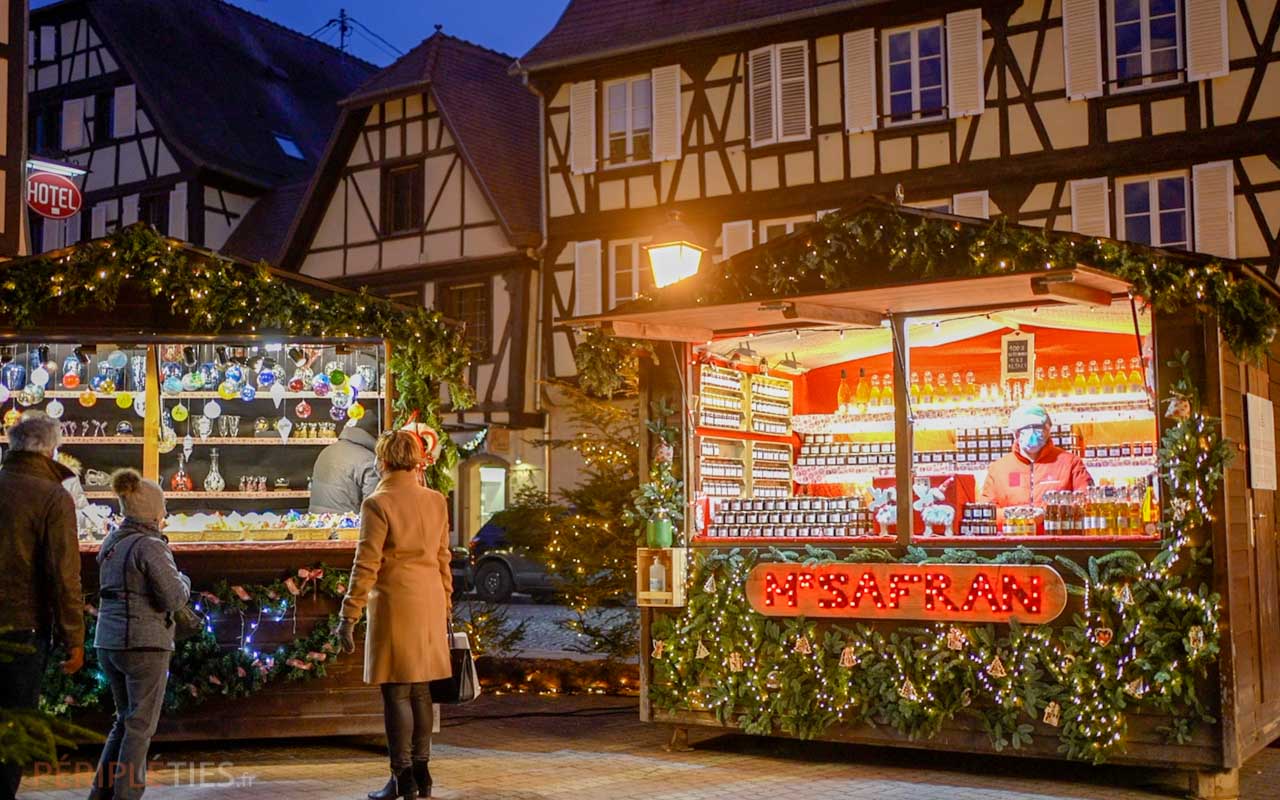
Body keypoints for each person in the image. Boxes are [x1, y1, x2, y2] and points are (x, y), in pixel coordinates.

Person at [336, 430, 453, 800]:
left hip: (395, 602)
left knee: (396, 693)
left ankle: (401, 776)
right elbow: (443, 558)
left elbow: (365, 565)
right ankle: (423, 773)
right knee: (421, 691)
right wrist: (446, 602)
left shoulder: (377, 504)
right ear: (417, 461)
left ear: (382, 460)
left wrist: (348, 615)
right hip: (430, 599)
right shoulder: (436, 501)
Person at [90, 469, 190, 800]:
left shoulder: (111, 542)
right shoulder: (149, 545)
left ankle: (101, 792)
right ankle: (127, 795)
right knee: (139, 727)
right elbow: (173, 597)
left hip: (109, 641)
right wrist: (185, 580)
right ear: (154, 512)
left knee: (124, 721)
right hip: (144, 644)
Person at [0, 412, 84, 800]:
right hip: (23, 625)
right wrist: (74, 638)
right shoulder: (52, 496)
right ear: (51, 450)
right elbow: (63, 574)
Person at [980, 402, 1092, 510]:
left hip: (1056, 529)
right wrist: (1015, 516)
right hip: (1013, 529)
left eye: (1038, 428)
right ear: (1015, 434)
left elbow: (1087, 500)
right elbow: (988, 510)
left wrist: (1047, 513)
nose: (1032, 434)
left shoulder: (1071, 463)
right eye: (1025, 429)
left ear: (1048, 431)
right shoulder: (998, 468)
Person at [309, 413, 381, 514]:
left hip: (316, 522)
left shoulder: (326, 451)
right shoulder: (369, 460)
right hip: (347, 525)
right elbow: (371, 509)